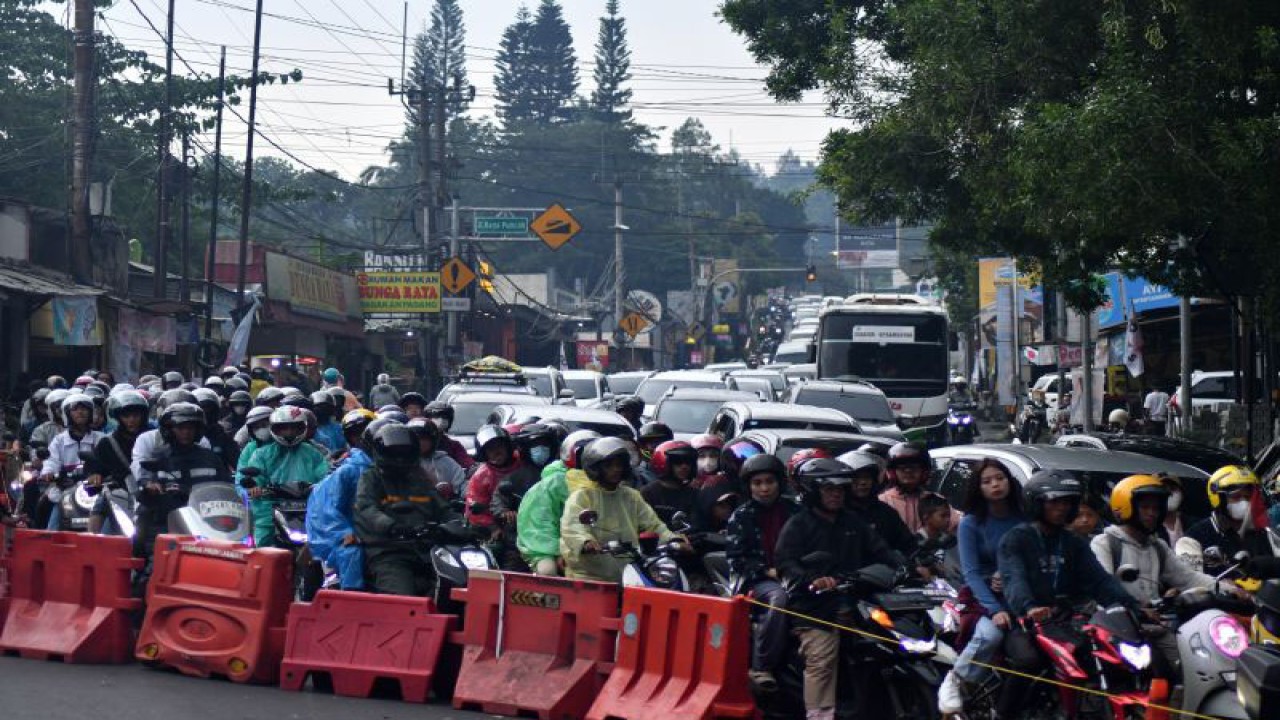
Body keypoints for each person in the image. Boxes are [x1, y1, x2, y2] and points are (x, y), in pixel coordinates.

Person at [775, 457, 900, 720]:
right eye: (829, 489)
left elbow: (882, 550)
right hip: (814, 606)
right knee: (822, 656)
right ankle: (819, 715)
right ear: (813, 492)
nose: (836, 494)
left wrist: (908, 566)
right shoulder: (798, 525)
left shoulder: (853, 522)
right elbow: (785, 563)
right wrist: (813, 579)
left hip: (855, 601)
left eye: (841, 489)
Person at [1090, 474, 1240, 680]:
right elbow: (1103, 586)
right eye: (1145, 507)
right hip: (1118, 628)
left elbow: (1187, 577)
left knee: (1195, 669)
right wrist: (1136, 607)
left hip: (1156, 625)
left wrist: (1231, 590)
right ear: (1125, 507)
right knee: (1145, 675)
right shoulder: (1105, 542)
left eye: (1156, 508)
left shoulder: (1156, 545)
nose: (1152, 513)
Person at [998, 468, 1140, 629]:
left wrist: (1133, 607)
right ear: (1037, 503)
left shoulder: (1073, 542)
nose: (1062, 507)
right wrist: (1029, 607)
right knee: (1026, 655)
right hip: (1029, 623)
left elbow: (1100, 581)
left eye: (1067, 502)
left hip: (1070, 619)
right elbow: (1015, 579)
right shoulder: (1016, 539)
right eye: (1054, 502)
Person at [937, 458, 1025, 716]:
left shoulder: (1024, 518)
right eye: (987, 481)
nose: (995, 485)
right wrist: (993, 608)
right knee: (990, 635)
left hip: (1022, 594)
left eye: (999, 478)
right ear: (979, 488)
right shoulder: (970, 523)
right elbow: (972, 573)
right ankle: (955, 680)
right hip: (984, 596)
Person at [560, 437, 683, 582]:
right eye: (609, 465)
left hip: (628, 571)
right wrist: (586, 542)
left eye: (620, 465)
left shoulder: (631, 496)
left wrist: (672, 539)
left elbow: (653, 524)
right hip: (588, 574)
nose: (616, 469)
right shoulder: (582, 496)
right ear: (595, 467)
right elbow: (572, 527)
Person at [725, 453, 800, 692]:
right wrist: (767, 571)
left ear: (780, 482)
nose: (764, 488)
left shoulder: (795, 511)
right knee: (779, 599)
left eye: (770, 481)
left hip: (797, 575)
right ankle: (762, 666)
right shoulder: (741, 516)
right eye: (757, 483)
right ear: (748, 487)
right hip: (756, 581)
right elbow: (737, 560)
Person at [354, 422, 454, 596]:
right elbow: (366, 507)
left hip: (427, 550)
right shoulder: (372, 477)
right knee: (403, 598)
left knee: (455, 587)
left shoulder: (418, 477)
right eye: (394, 452)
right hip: (389, 551)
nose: (400, 458)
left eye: (404, 452)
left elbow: (441, 506)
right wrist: (391, 525)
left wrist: (461, 524)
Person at [133, 402, 231, 559]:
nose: (186, 432)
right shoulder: (159, 458)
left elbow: (226, 488)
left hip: (207, 520)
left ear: (198, 430)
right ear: (169, 430)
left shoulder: (211, 459)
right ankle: (140, 565)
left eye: (190, 428)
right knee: (143, 517)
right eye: (180, 428)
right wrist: (150, 487)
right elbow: (145, 485)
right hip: (168, 522)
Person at [305, 409, 377, 590]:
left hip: (382, 534)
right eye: (357, 434)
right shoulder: (349, 470)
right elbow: (325, 511)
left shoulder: (401, 469)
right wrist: (346, 534)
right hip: (349, 534)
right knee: (351, 553)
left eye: (366, 432)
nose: (362, 438)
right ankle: (350, 600)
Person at [241, 406, 330, 548]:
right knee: (261, 544)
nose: (289, 433)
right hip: (271, 509)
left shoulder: (313, 453)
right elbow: (255, 478)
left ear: (303, 428)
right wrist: (255, 488)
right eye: (284, 428)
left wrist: (325, 486)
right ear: (275, 429)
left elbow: (326, 476)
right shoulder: (261, 454)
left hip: (309, 509)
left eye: (294, 428)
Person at [517, 430, 600, 575]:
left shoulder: (608, 484)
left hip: (599, 548)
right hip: (549, 548)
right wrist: (558, 552)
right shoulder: (552, 485)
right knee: (547, 571)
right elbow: (540, 525)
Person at [1185, 465, 1278, 575]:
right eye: (1236, 497)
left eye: (1247, 497)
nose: (1244, 503)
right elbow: (1190, 579)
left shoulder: (1264, 533)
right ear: (1219, 499)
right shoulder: (1195, 536)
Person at [84, 391, 150, 534]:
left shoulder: (153, 438)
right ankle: (91, 540)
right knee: (101, 501)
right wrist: (95, 475)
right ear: (118, 417)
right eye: (126, 416)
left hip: (151, 488)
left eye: (136, 415)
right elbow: (96, 465)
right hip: (121, 491)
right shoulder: (108, 442)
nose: (131, 420)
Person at [41, 392, 106, 530]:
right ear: (67, 414)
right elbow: (51, 460)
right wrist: (48, 472)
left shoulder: (101, 438)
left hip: (96, 491)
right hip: (64, 491)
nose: (80, 412)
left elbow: (108, 462)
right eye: (75, 409)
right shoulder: (59, 440)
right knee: (51, 524)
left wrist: (99, 474)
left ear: (91, 412)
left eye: (84, 408)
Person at [879, 442, 962, 534]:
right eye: (902, 468)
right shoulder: (883, 502)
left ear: (924, 471)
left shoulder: (935, 500)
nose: (908, 471)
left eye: (914, 467)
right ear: (893, 472)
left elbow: (956, 526)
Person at [639, 440, 702, 528]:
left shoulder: (695, 495)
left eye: (688, 462)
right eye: (678, 462)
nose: (684, 466)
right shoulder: (648, 494)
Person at [411, 418, 467, 499]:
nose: (420, 442)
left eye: (425, 439)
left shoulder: (446, 461)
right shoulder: (402, 462)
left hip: (441, 507)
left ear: (433, 440)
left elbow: (462, 484)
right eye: (416, 439)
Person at [916, 493, 962, 582]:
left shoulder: (950, 540)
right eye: (943, 516)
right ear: (926, 518)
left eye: (949, 515)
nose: (948, 519)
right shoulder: (916, 542)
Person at [192, 388, 239, 470]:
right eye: (202, 410)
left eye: (209, 410)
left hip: (219, 481)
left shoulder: (222, 437)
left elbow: (238, 462)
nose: (206, 414)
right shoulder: (185, 437)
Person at [1157, 474, 1199, 547]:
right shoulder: (1147, 528)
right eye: (1163, 488)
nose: (1169, 494)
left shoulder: (1196, 525)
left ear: (1182, 495)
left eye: (1173, 489)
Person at [633, 422, 674, 487]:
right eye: (651, 442)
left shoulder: (676, 468)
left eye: (659, 442)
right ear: (643, 445)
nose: (654, 446)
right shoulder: (636, 475)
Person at [309, 391, 347, 455]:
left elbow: (346, 446)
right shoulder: (310, 429)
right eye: (319, 407)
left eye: (326, 407)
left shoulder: (339, 427)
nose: (322, 410)